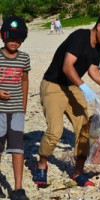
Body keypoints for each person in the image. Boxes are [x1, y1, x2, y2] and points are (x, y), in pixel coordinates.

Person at [32, 12, 100, 187]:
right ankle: (42, 163)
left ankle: (77, 172)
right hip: (53, 85)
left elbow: (94, 72)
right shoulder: (80, 37)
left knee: (84, 128)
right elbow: (67, 66)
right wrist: (83, 87)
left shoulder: (99, 47)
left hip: (72, 87)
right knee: (55, 132)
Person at [0, 16, 30, 200]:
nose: (14, 42)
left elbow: (25, 81)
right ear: (3, 36)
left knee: (17, 148)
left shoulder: (24, 58)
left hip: (17, 110)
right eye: (11, 38)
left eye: (18, 38)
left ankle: (18, 188)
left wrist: (24, 105)